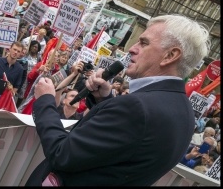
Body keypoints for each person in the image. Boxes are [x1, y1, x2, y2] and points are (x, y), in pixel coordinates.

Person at [25, 14, 210, 186]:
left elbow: (62, 153)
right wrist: (104, 100)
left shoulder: (137, 107)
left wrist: (45, 100)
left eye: (143, 43)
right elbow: (122, 147)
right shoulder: (185, 113)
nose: (132, 48)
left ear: (170, 55)